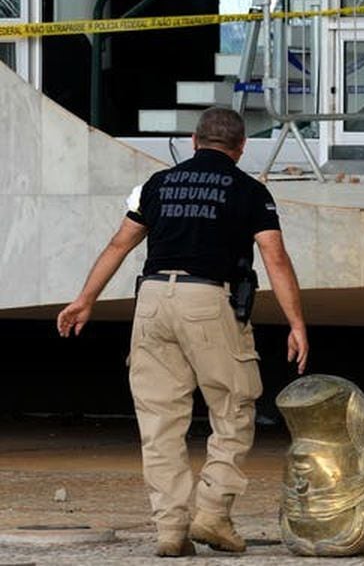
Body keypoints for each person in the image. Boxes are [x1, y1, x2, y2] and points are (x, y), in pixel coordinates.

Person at [56, 107, 309, 558]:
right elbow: (275, 258)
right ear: (240, 148)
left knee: (160, 423)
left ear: (194, 142)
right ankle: (212, 513)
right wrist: (296, 323)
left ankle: (170, 530)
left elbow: (119, 243)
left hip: (152, 301)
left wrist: (85, 299)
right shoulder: (249, 191)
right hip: (209, 302)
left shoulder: (158, 184)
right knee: (232, 409)